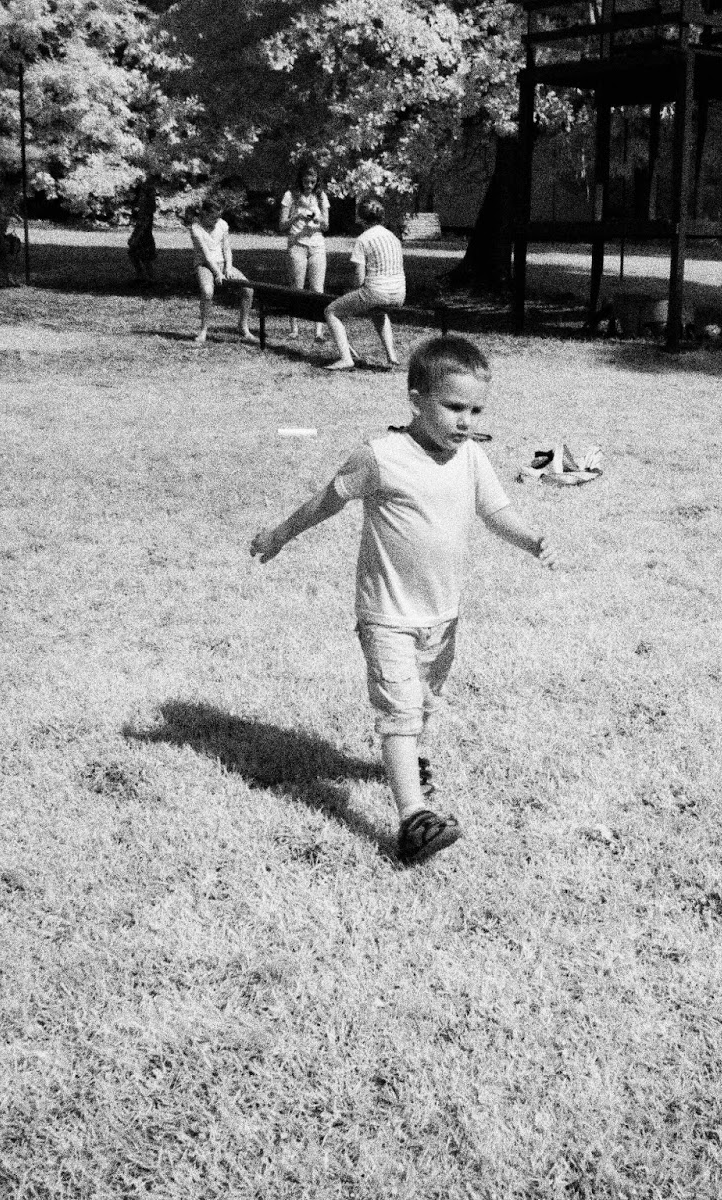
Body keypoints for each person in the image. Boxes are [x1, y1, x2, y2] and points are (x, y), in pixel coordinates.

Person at [249, 336, 555, 865]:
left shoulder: (471, 457)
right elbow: (324, 502)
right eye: (454, 407)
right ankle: (414, 818)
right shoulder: (381, 456)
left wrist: (530, 539)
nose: (465, 421)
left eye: (475, 410)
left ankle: (409, 762)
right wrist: (279, 534)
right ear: (416, 400)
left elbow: (495, 512)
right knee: (400, 712)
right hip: (387, 615)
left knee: (425, 703)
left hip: (443, 615)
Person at [324, 195, 405, 371]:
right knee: (378, 311)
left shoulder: (363, 239)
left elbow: (359, 279)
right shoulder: (393, 237)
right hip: (399, 293)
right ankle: (392, 356)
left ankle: (346, 359)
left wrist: (348, 292)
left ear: (360, 218)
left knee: (331, 311)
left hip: (376, 292)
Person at [187, 198, 252, 344]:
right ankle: (203, 330)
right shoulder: (196, 228)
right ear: (204, 214)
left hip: (222, 263)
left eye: (218, 217)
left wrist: (228, 267)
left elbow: (227, 248)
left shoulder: (222, 224)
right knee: (207, 292)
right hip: (204, 265)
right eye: (213, 217)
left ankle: (243, 326)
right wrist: (218, 273)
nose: (216, 221)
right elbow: (207, 255)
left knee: (248, 289)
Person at [278, 162, 329, 340]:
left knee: (317, 288)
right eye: (306, 182)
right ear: (300, 180)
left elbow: (326, 226)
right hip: (297, 244)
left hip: (317, 245)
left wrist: (318, 219)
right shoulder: (290, 195)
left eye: (312, 182)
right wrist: (296, 217)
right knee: (296, 287)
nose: (309, 186)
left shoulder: (321, 196)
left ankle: (318, 331)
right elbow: (282, 225)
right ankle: (294, 328)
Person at [127, 178, 158, 283]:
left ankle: (150, 278)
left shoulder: (147, 209)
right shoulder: (144, 207)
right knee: (134, 254)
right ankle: (142, 276)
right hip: (142, 233)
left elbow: (143, 224)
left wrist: (136, 236)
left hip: (144, 234)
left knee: (145, 258)